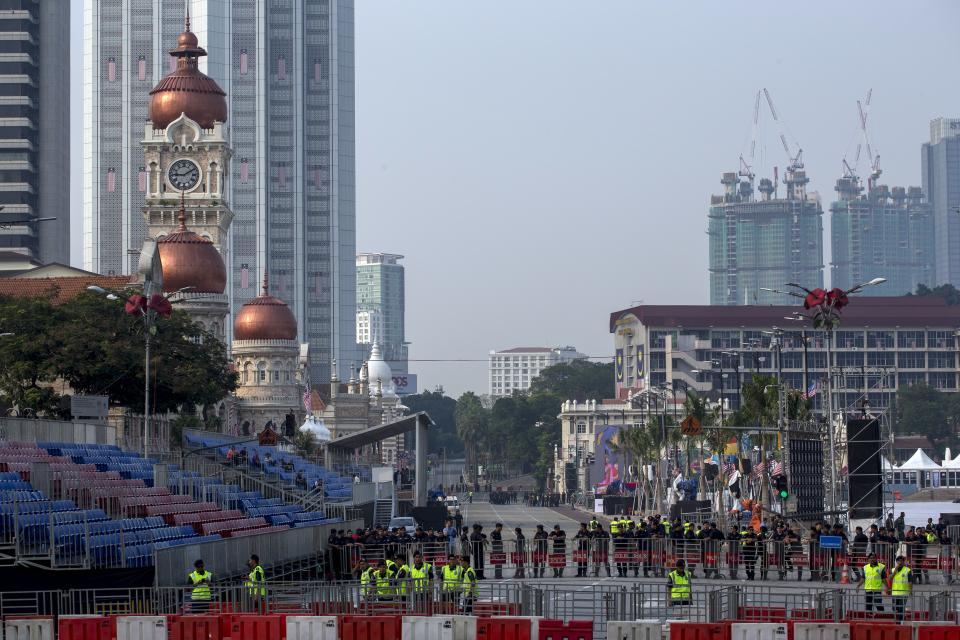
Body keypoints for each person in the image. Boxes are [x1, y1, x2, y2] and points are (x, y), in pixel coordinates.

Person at [889, 555, 911, 623]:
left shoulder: (907, 570)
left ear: (904, 562)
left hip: (904, 593)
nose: (900, 562)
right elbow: (890, 578)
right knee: (894, 608)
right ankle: (899, 618)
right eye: (898, 561)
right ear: (896, 561)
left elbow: (910, 581)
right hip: (895, 592)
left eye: (901, 561)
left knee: (901, 608)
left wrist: (910, 590)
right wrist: (894, 572)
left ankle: (901, 621)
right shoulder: (893, 570)